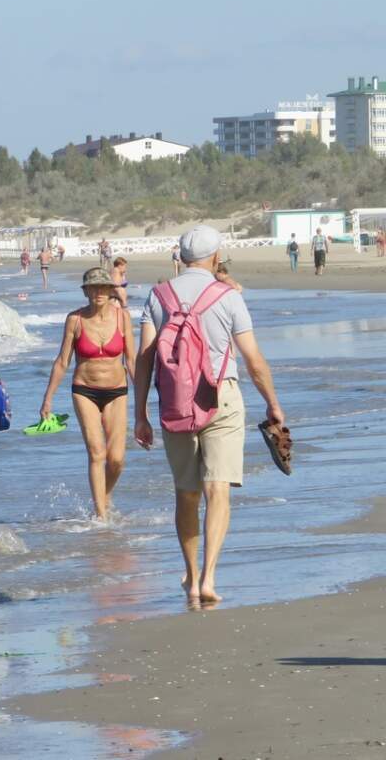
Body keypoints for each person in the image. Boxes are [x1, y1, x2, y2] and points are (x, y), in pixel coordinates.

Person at [134, 226, 285, 604]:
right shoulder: (227, 296)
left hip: (174, 402)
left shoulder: (158, 295)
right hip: (222, 397)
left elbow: (144, 359)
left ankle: (188, 573)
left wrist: (139, 414)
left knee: (186, 493)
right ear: (216, 257)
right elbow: (253, 360)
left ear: (180, 258)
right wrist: (273, 402)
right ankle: (208, 579)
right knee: (218, 490)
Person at [40, 268, 136, 521]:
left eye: (103, 288)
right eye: (92, 288)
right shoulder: (75, 319)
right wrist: (48, 398)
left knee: (116, 460)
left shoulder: (123, 317)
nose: (98, 293)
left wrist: (145, 400)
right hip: (85, 390)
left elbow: (133, 360)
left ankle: (104, 496)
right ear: (85, 291)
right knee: (97, 453)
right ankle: (101, 516)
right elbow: (62, 361)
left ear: (110, 290)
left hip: (117, 391)